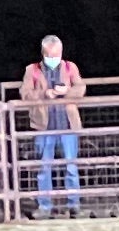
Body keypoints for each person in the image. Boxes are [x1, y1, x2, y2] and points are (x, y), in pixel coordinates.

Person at [21, 34, 87, 216]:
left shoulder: (69, 67)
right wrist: (45, 94)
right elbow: (25, 94)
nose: (53, 58)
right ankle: (45, 206)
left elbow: (80, 88)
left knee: (71, 166)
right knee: (44, 168)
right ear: (43, 53)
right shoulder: (32, 70)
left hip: (67, 124)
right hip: (44, 126)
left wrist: (67, 91)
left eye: (56, 54)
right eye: (49, 55)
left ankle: (74, 204)